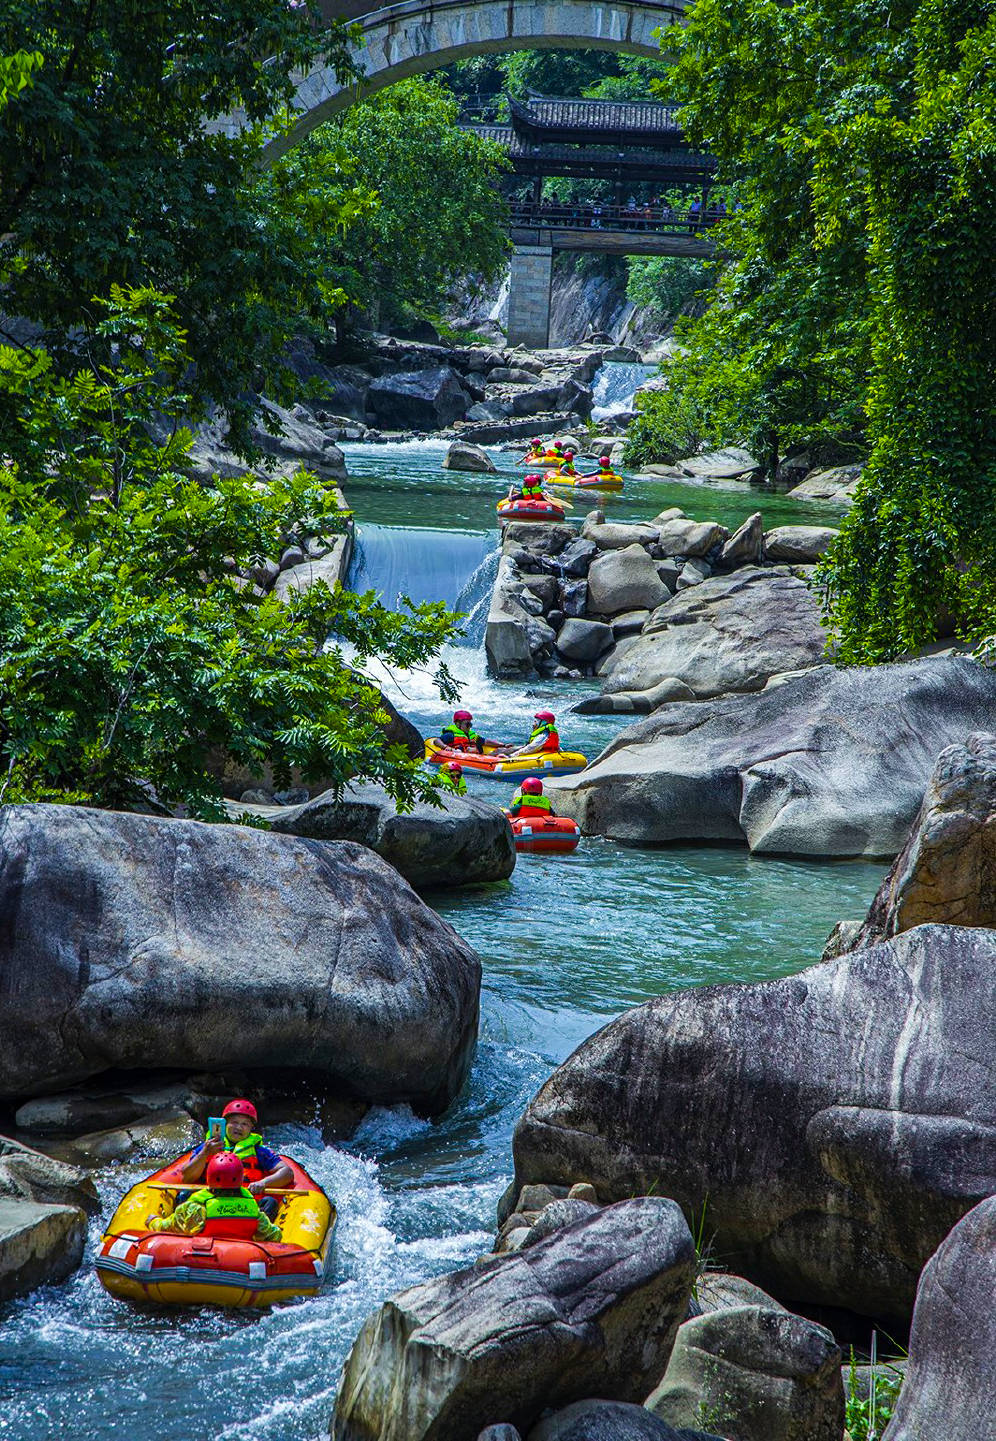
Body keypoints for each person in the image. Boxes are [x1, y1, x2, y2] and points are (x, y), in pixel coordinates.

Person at [179, 1098, 293, 1219]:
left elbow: (287, 1173)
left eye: (244, 1124)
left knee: (270, 1202)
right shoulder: (207, 1147)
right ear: (224, 1124)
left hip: (246, 1204)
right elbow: (187, 1178)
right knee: (184, 1195)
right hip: (209, 1200)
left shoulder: (259, 1152)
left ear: (251, 1128)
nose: (238, 1127)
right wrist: (205, 1153)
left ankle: (258, 1232)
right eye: (234, 1122)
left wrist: (263, 1183)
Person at [149, 1152, 283, 1241]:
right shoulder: (252, 1208)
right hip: (242, 1259)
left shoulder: (197, 1207)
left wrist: (153, 1221)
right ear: (241, 1179)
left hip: (199, 1258)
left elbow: (168, 1226)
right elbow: (274, 1235)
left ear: (209, 1178)